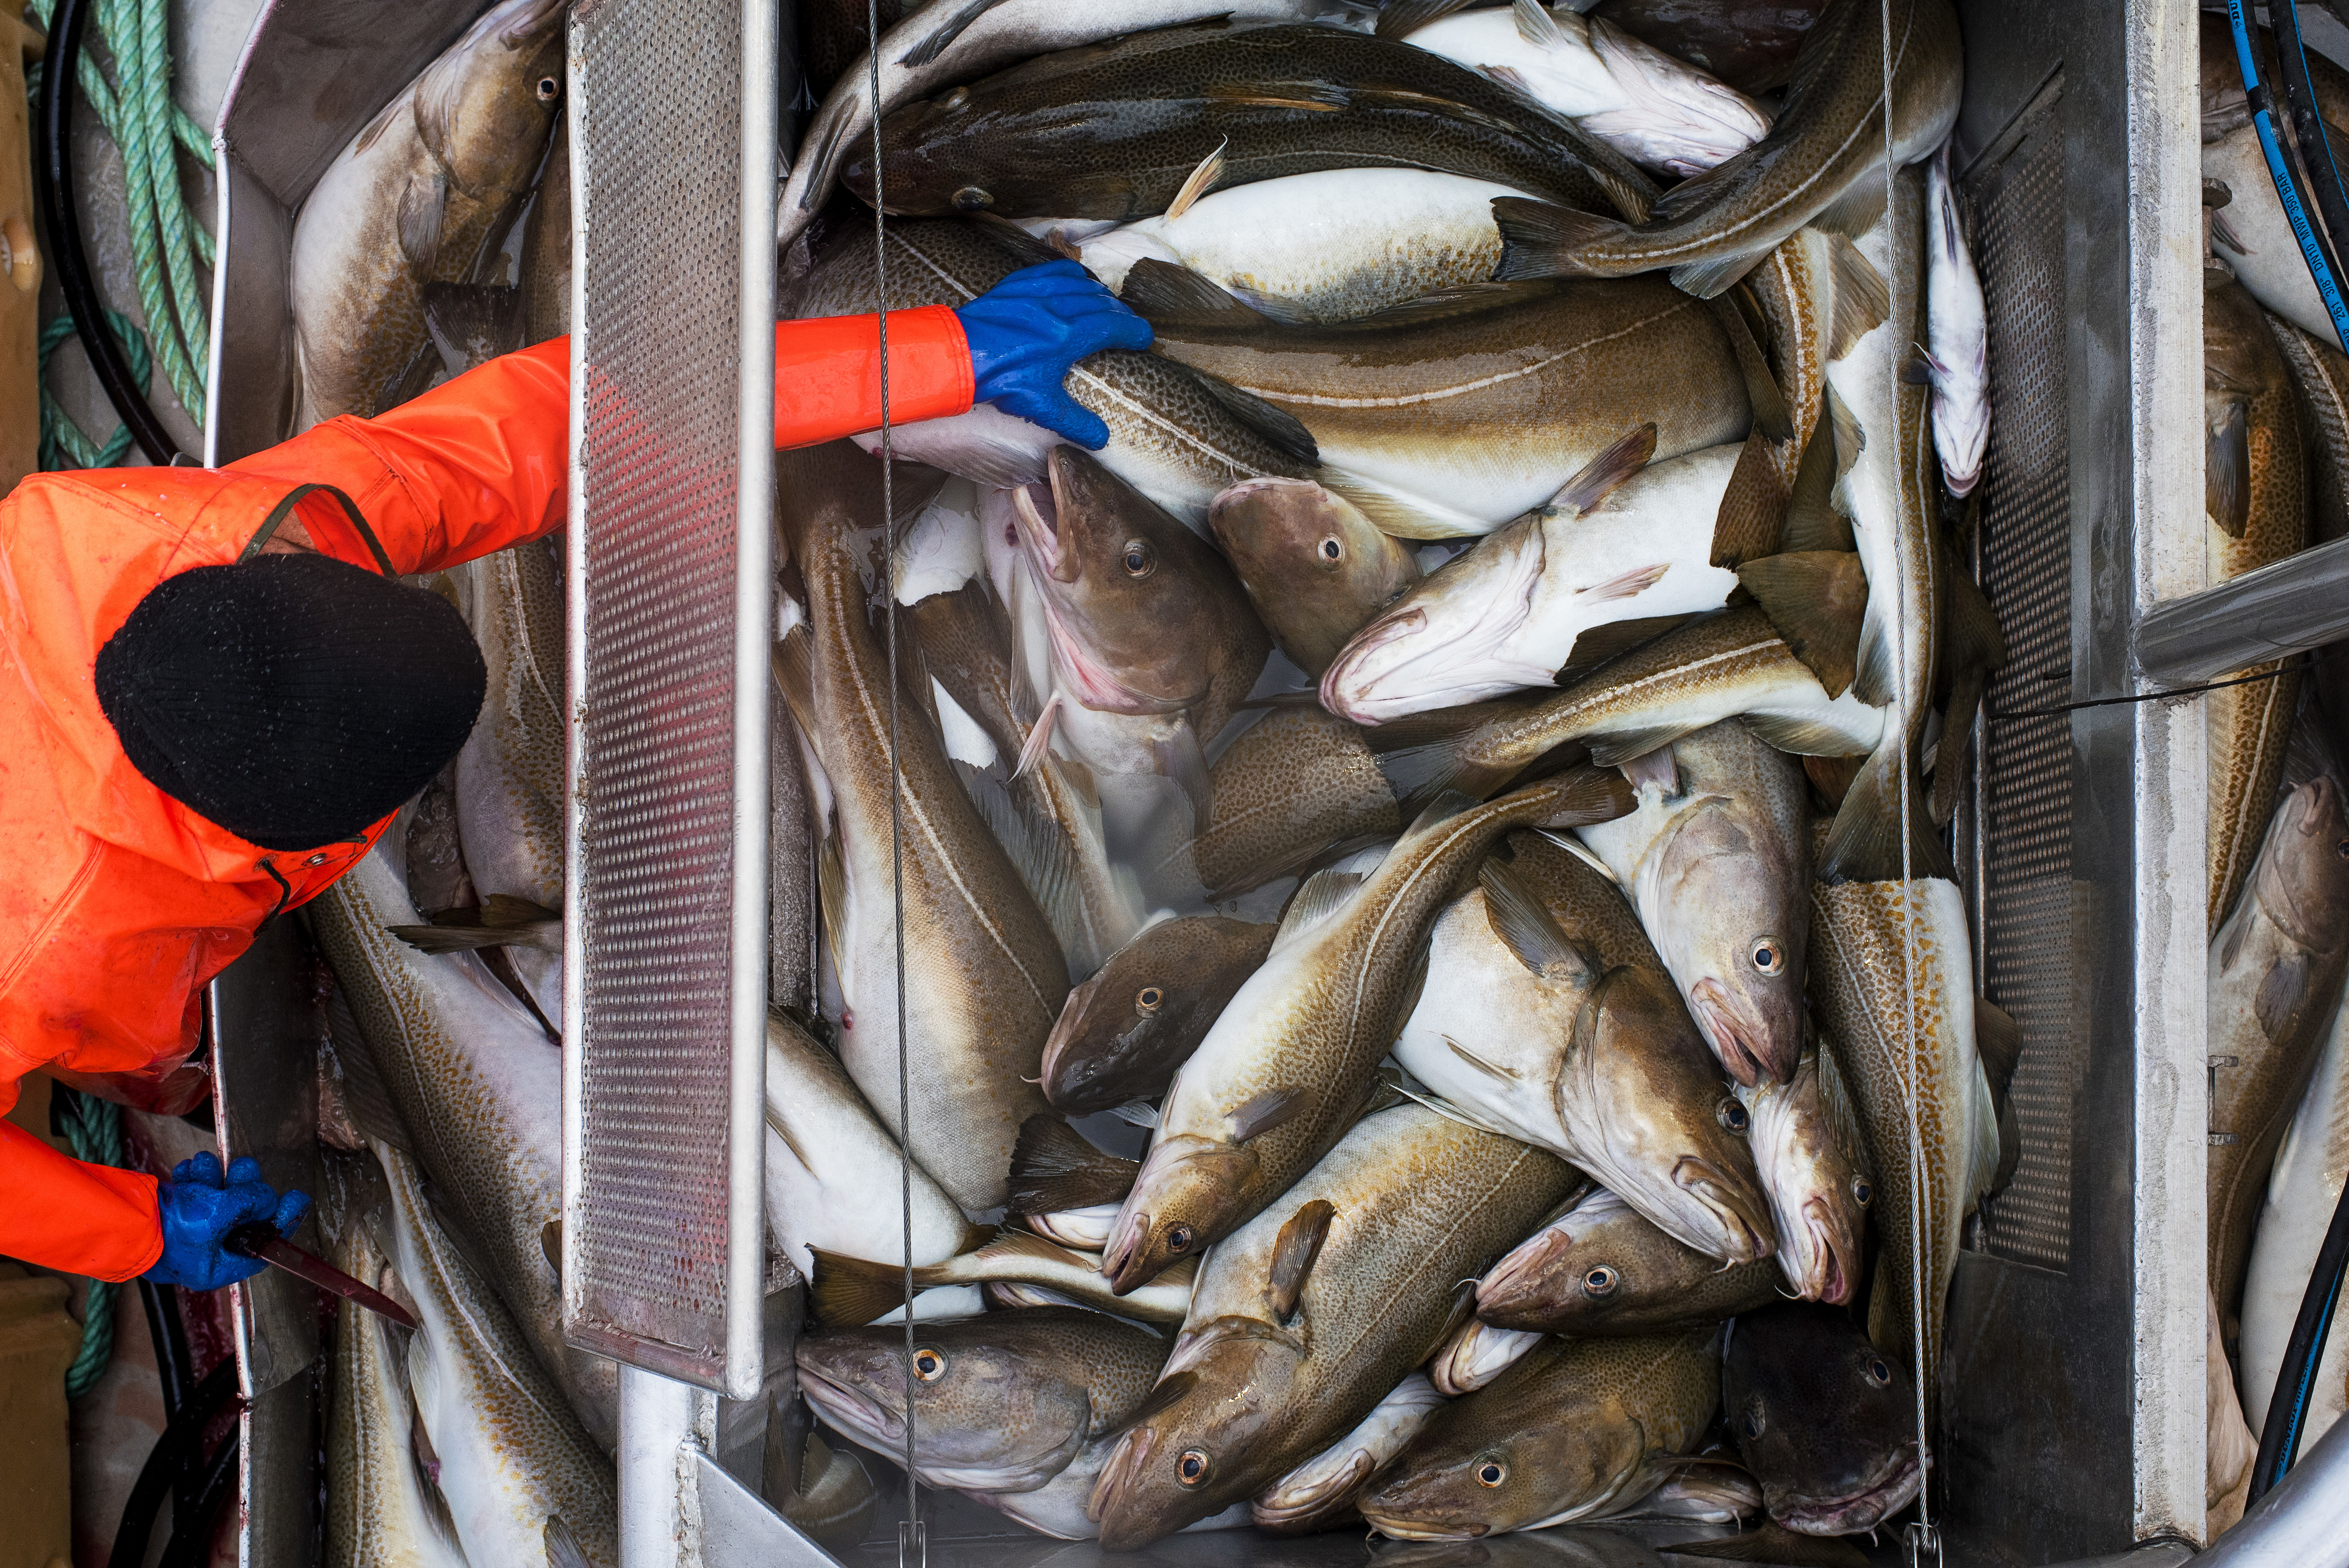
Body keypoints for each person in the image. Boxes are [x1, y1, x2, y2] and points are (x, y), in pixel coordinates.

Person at [0, 261, 1151, 1291]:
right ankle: (151, 1070)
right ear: (279, 841)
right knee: (133, 1042)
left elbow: (563, 423)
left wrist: (935, 358)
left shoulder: (236, 531)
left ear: (286, 572)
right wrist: (127, 1229)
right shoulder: (60, 950)